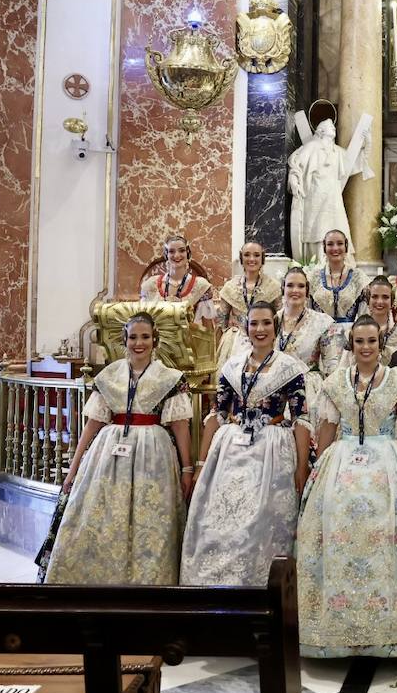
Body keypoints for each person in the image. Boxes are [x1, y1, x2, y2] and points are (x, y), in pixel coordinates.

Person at [297, 315, 397, 657]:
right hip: (342, 462)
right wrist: (319, 466)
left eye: (372, 342)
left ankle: (395, 627)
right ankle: (339, 626)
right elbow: (325, 432)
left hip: (389, 464)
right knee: (340, 534)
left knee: (392, 536)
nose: (366, 348)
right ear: (352, 345)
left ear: (381, 346)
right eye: (360, 342)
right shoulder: (335, 382)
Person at [45, 313, 193, 584]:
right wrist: (73, 470)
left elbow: (181, 427)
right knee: (103, 518)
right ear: (124, 340)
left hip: (154, 456)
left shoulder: (170, 378)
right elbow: (92, 425)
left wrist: (187, 468)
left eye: (145, 337)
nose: (139, 343)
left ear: (155, 340)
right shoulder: (109, 375)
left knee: (150, 523)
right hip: (108, 455)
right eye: (133, 337)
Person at [181, 302, 307, 586]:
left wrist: (301, 467)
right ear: (246, 327)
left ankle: (258, 584)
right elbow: (218, 414)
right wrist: (201, 464)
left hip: (271, 449)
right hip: (230, 446)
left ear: (275, 329)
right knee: (219, 518)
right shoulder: (232, 366)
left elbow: (301, 419)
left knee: (260, 520)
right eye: (254, 324)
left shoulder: (291, 368)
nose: (260, 329)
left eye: (266, 323)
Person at [288, 117, 372, 261]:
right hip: (315, 193)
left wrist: (368, 144)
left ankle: (340, 261)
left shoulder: (338, 152)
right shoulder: (312, 147)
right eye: (329, 126)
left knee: (336, 224)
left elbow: (355, 164)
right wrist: (294, 181)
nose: (333, 128)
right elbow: (296, 165)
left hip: (333, 196)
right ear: (320, 131)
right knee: (318, 228)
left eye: (333, 127)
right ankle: (317, 261)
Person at [275, 267, 343, 410]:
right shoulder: (271, 320)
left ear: (307, 290)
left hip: (307, 390)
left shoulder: (323, 322)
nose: (295, 290)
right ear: (283, 288)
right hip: (273, 387)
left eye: (301, 286)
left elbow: (332, 366)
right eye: (290, 285)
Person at [214, 240, 283, 373]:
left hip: (264, 338)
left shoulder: (273, 286)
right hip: (235, 341)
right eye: (247, 255)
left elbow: (279, 319)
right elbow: (221, 322)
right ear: (241, 258)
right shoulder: (230, 287)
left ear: (262, 258)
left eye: (256, 255)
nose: (251, 259)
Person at [140, 234, 213, 321]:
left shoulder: (201, 286)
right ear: (166, 254)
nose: (177, 255)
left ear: (188, 254)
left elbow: (207, 327)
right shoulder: (151, 285)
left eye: (181, 251)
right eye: (171, 251)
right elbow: (143, 320)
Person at [309, 229, 370, 333]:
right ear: (324, 247)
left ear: (346, 246)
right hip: (318, 336)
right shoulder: (313, 278)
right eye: (330, 244)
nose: (335, 248)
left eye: (340, 243)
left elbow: (364, 315)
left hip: (349, 336)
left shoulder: (359, 277)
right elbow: (308, 313)